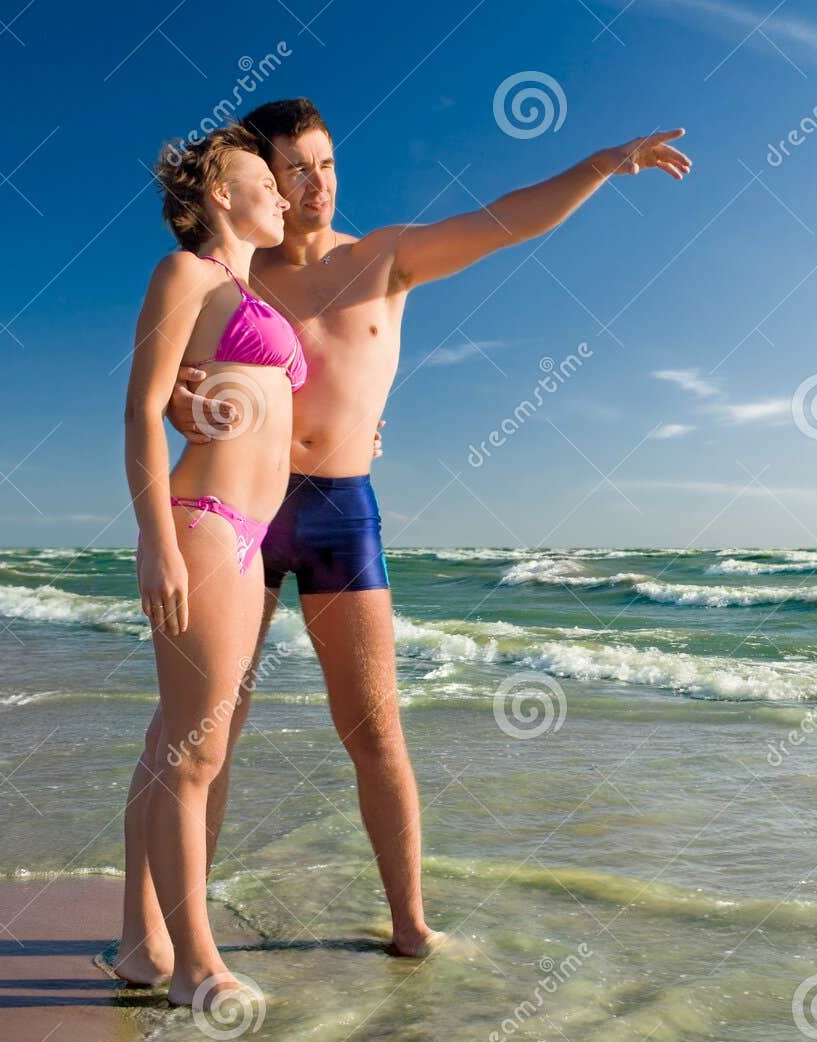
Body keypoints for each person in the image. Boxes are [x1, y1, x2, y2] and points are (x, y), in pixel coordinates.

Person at [146, 97, 691, 970]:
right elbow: (169, 383)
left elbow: (504, 222)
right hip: (242, 508)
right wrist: (182, 400)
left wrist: (598, 164)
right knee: (211, 734)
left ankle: (410, 922)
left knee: (372, 727)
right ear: (263, 181)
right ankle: (174, 936)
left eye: (326, 164)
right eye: (295, 168)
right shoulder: (234, 278)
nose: (314, 184)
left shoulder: (384, 258)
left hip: (339, 510)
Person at [119, 125, 312, 1006]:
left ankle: (140, 945)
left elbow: (252, 402)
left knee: (173, 742)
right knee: (195, 753)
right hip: (202, 524)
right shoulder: (186, 275)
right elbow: (141, 410)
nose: (280, 193)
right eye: (262, 180)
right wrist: (157, 539)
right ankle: (198, 965)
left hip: (248, 530)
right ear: (218, 197)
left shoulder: (245, 288)